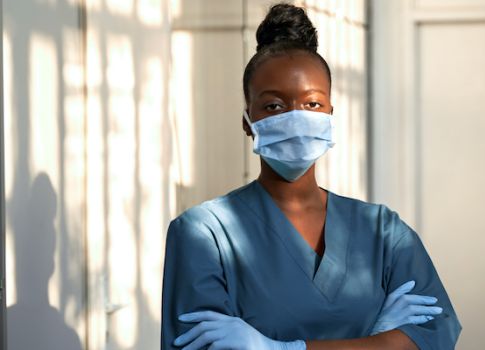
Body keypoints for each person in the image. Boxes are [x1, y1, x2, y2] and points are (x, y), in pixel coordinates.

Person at [161, 3, 461, 349]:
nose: (295, 118)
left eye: (313, 104)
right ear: (248, 121)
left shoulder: (383, 232)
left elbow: (435, 336)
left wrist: (283, 348)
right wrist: (378, 340)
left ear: (331, 114)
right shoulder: (205, 234)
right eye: (274, 106)